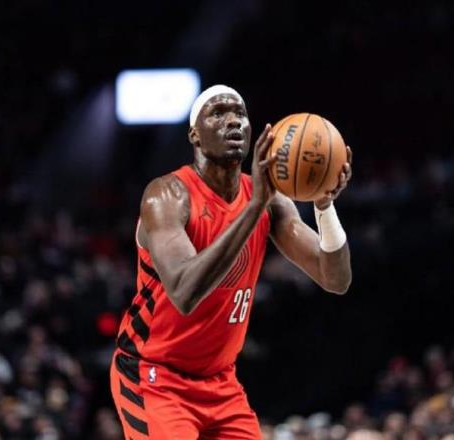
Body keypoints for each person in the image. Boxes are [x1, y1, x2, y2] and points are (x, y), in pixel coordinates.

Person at [110, 85, 353, 439]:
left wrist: (323, 205)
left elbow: (336, 279)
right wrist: (254, 208)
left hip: (220, 382)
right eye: (218, 113)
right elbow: (184, 292)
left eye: (240, 113)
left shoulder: (268, 200)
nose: (233, 121)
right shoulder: (167, 196)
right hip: (155, 375)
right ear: (194, 134)